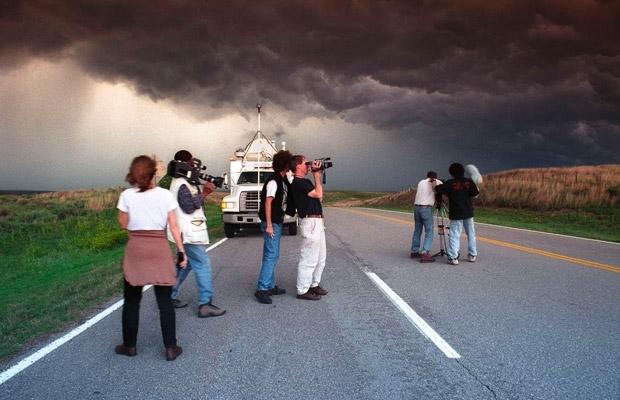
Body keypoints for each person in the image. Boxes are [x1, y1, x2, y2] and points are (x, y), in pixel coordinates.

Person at [115, 155, 187, 361]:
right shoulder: (165, 195)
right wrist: (181, 252)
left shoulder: (126, 195)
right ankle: (171, 348)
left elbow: (123, 223)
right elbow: (174, 226)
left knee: (131, 300)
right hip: (159, 247)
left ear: (133, 174)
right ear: (153, 174)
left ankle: (129, 346)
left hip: (136, 247)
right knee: (164, 301)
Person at [167, 150, 225, 318]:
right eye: (191, 163)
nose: (194, 166)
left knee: (186, 264)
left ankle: (169, 295)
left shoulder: (184, 182)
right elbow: (189, 206)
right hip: (189, 232)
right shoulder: (181, 184)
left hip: (187, 231)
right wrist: (205, 193)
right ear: (184, 164)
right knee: (202, 264)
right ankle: (205, 304)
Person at [254, 150, 295, 304]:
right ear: (285, 164)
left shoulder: (283, 180)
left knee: (270, 255)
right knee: (271, 255)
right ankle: (262, 289)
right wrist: (269, 225)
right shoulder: (274, 181)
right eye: (290, 162)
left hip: (276, 222)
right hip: (271, 223)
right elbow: (268, 202)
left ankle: (270, 286)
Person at [289, 155, 328, 300]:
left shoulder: (304, 182)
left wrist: (318, 176)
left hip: (317, 221)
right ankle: (302, 289)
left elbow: (320, 196)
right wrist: (317, 175)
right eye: (306, 163)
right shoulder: (299, 182)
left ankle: (314, 284)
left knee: (320, 257)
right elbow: (318, 193)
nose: (309, 165)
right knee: (309, 257)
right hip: (310, 222)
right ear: (298, 166)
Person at [435, 162, 480, 265]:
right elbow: (475, 193)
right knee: (471, 234)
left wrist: (442, 184)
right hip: (468, 212)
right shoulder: (469, 181)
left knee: (454, 234)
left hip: (456, 213)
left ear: (451, 173)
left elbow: (438, 189)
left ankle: (453, 257)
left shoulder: (450, 183)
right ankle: (472, 254)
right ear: (463, 171)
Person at [410, 171, 442, 262]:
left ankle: (414, 251)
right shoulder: (437, 182)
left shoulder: (421, 182)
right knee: (429, 231)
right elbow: (440, 189)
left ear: (426, 176)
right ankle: (425, 252)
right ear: (436, 177)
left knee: (417, 230)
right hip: (426, 208)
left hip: (417, 208)